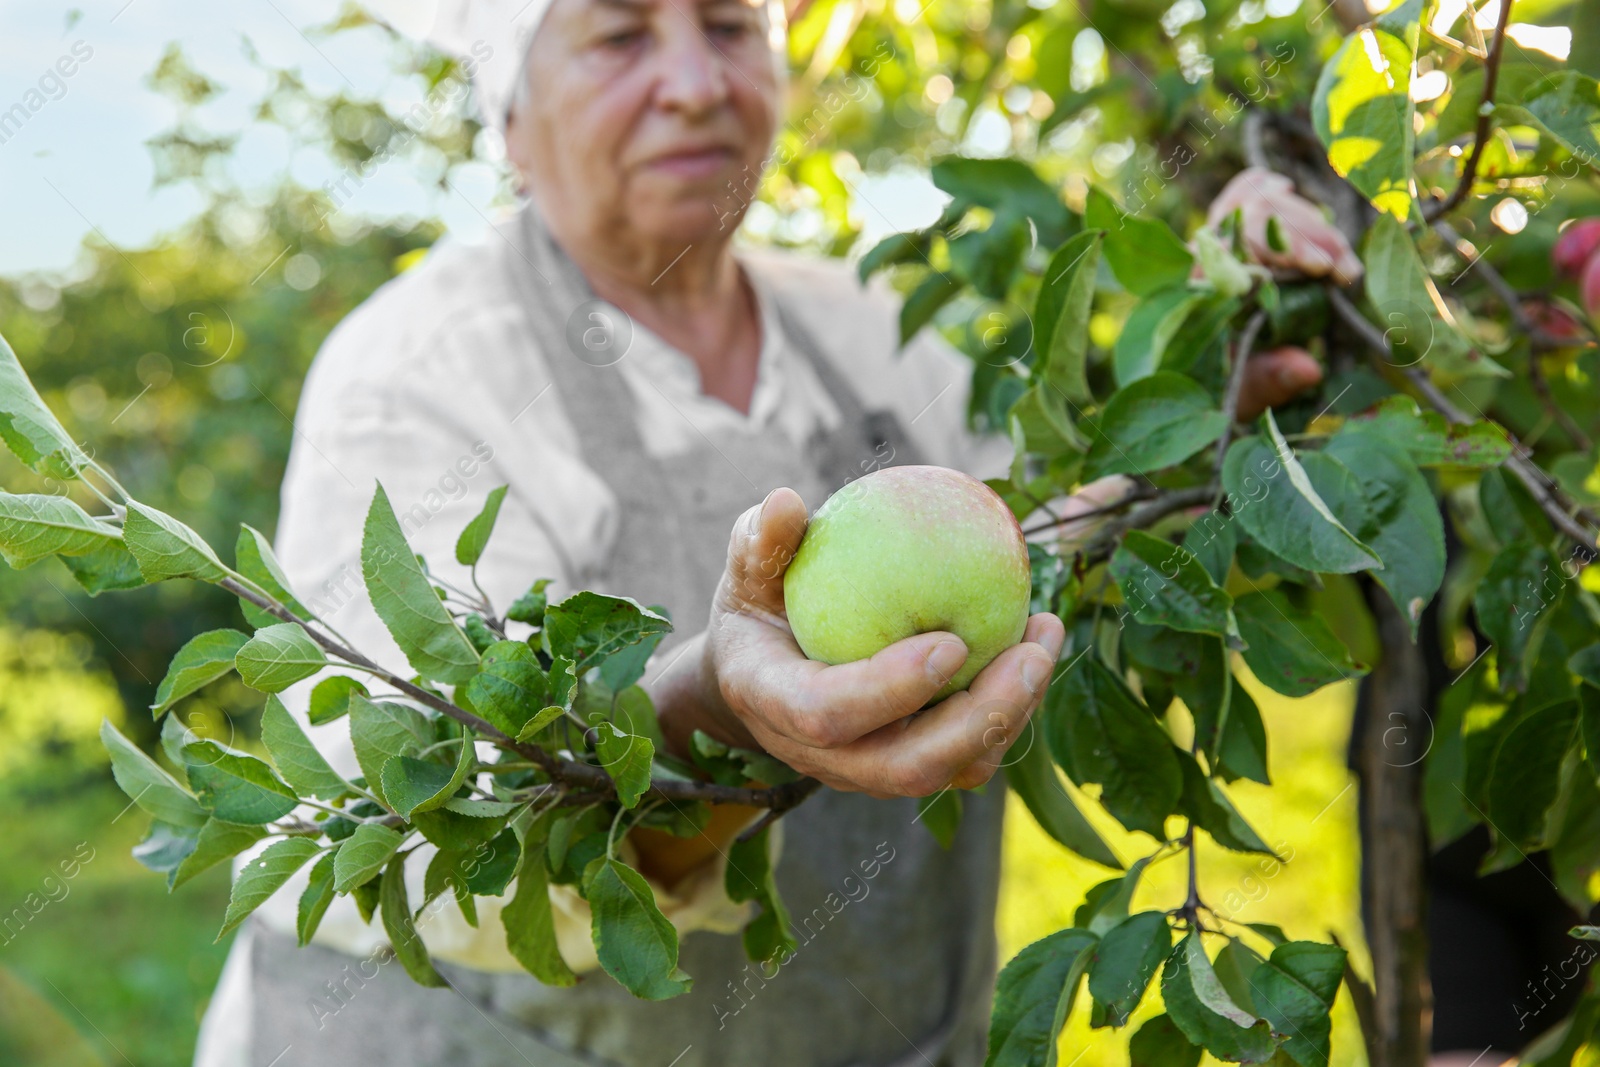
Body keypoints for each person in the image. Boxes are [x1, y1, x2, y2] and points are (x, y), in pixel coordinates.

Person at [190, 0, 1358, 1063]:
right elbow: (427, 829)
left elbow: (1056, 522)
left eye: (728, 23)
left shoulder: (871, 331)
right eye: (619, 34)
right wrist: (712, 711)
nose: (697, 83)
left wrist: (1211, 346)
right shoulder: (421, 373)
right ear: (508, 115)